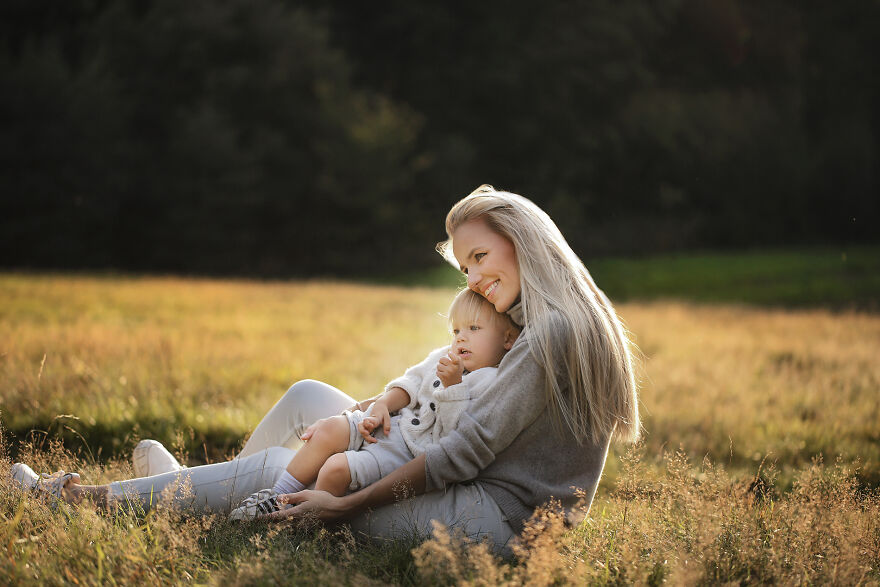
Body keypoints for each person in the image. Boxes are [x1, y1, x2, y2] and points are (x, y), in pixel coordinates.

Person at [11, 185, 640, 554]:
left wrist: (347, 504)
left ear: (523, 240)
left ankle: (74, 500)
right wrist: (374, 409)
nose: (474, 279)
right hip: (465, 481)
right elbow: (434, 397)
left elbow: (462, 458)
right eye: (465, 269)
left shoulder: (552, 336)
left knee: (286, 469)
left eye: (480, 257)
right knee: (312, 399)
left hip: (498, 524)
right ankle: (208, 499)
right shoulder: (531, 317)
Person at [225, 288, 519, 520]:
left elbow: (457, 436)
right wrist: (382, 404)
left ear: (507, 339)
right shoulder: (444, 355)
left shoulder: (492, 381)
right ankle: (274, 497)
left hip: (407, 455)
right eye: (456, 331)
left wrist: (453, 386)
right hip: (392, 425)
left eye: (474, 329)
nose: (461, 338)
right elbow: (412, 382)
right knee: (328, 429)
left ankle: (304, 524)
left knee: (335, 469)